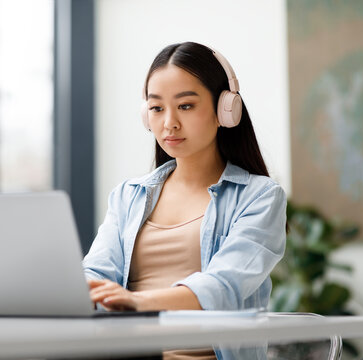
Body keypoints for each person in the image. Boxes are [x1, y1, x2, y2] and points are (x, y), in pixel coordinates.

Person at [82, 42, 287, 360]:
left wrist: (139, 303)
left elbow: (224, 285)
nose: (169, 123)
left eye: (186, 106)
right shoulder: (127, 195)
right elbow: (96, 272)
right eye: (157, 108)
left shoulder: (259, 197)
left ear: (225, 110)